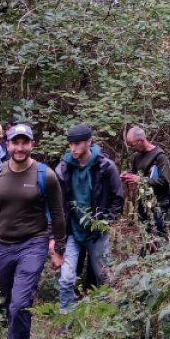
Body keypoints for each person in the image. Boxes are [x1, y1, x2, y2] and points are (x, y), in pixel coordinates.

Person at [0, 123, 67, 339]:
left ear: (32, 145)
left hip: (34, 243)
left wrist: (58, 248)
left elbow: (58, 213)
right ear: (7, 144)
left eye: (24, 142)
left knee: (20, 302)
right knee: (11, 304)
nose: (19, 147)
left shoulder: (45, 175)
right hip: (3, 245)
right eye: (14, 143)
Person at [53, 124, 123, 317]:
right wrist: (55, 235)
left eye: (77, 144)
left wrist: (105, 221)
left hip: (97, 231)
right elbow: (56, 205)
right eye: (70, 144)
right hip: (72, 232)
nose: (73, 148)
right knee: (66, 279)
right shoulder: (63, 168)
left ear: (89, 142)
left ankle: (105, 316)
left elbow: (117, 198)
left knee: (104, 277)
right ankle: (66, 318)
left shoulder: (105, 166)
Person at [120, 126, 170, 255]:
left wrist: (140, 180)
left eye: (133, 145)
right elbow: (136, 172)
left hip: (159, 203)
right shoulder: (138, 156)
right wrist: (127, 174)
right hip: (143, 202)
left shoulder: (160, 157)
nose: (132, 148)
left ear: (141, 140)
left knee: (159, 233)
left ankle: (162, 260)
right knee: (145, 232)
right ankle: (145, 260)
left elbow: (164, 181)